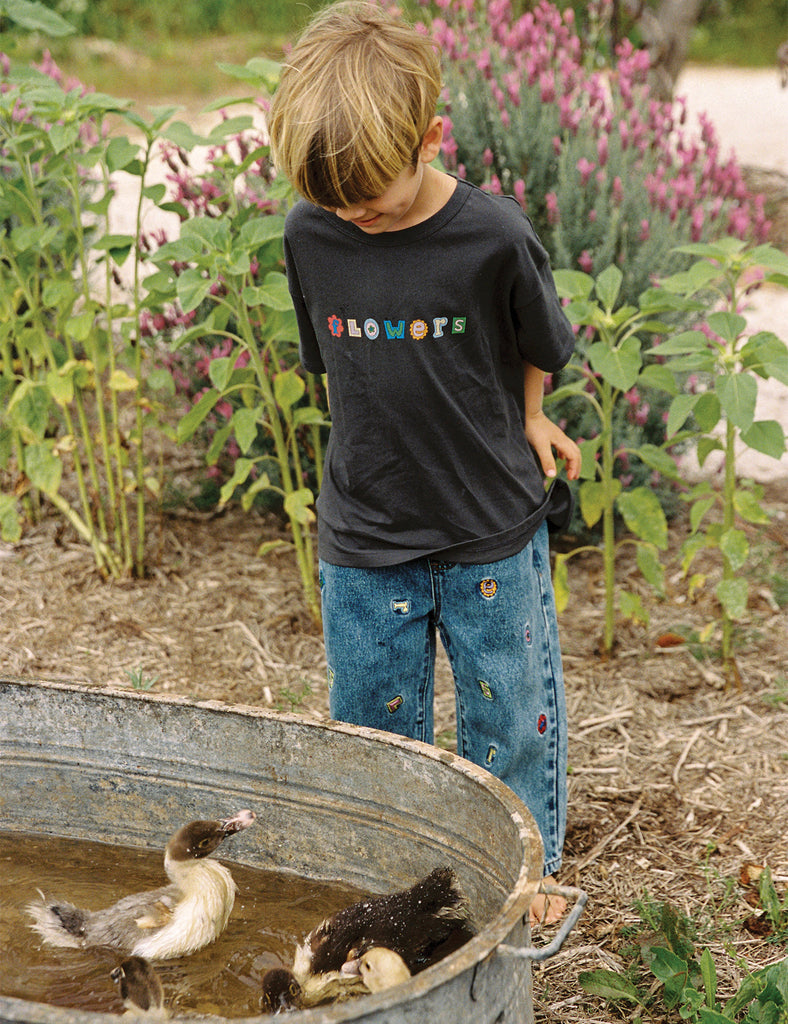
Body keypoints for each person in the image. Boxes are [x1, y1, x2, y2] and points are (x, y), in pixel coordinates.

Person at [267, 0, 581, 925]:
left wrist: (529, 416)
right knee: (373, 720)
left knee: (508, 718)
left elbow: (539, 341)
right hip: (365, 533)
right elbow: (335, 374)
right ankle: (392, 888)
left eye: (380, 197)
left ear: (430, 139)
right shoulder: (307, 235)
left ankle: (523, 880)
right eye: (338, 204)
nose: (359, 217)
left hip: (488, 524)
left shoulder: (495, 237)